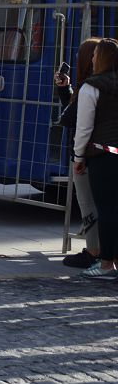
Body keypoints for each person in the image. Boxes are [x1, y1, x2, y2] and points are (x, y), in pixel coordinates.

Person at [73, 38, 118, 279]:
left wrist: (79, 156)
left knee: (106, 210)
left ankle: (106, 263)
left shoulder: (91, 88)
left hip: (102, 154)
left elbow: (84, 128)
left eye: (94, 55)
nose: (91, 58)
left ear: (100, 58)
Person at [57, 38, 102, 268]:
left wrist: (78, 157)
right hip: (102, 154)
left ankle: (94, 252)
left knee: (88, 204)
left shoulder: (90, 87)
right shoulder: (103, 85)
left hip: (89, 156)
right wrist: (66, 90)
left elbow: (75, 121)